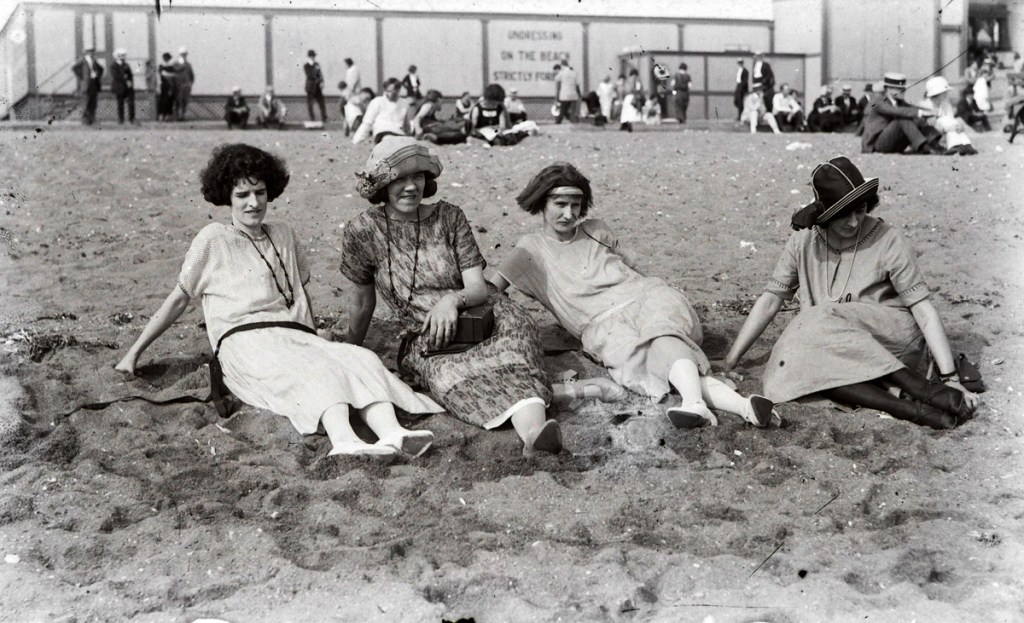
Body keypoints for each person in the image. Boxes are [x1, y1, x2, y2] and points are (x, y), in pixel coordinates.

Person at [116, 143, 441, 457]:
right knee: (315, 371)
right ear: (227, 198)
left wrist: (313, 335)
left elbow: (300, 295)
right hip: (244, 342)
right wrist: (133, 354)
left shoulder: (283, 233)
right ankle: (344, 440)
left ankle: (393, 433)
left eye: (259, 193)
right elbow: (178, 300)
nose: (253, 203)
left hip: (291, 336)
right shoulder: (213, 239)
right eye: (242, 195)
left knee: (359, 359)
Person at [492, 163, 775, 430]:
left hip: (648, 299)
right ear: (542, 203)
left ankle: (695, 403)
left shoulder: (596, 230)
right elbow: (489, 288)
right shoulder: (530, 250)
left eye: (575, 205)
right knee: (658, 357)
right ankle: (742, 406)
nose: (568, 214)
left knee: (660, 336)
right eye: (560, 205)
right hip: (604, 325)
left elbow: (634, 270)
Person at [341, 137, 578, 457]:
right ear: (382, 185)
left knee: (515, 346)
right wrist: (347, 346)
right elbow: (362, 302)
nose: (411, 186)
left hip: (486, 313)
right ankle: (538, 423)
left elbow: (478, 288)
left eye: (418, 177)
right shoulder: (362, 231)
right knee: (448, 375)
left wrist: (451, 300)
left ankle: (534, 436)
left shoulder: (449, 217)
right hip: (430, 336)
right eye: (399, 178)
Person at [724, 156, 980, 429]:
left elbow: (923, 310)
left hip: (888, 340)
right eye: (843, 215)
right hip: (830, 345)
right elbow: (770, 300)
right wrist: (730, 361)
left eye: (860, 210)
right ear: (824, 215)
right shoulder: (803, 242)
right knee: (782, 378)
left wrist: (950, 377)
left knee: (816, 319)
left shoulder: (886, 238)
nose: (854, 222)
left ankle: (927, 390)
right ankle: (913, 411)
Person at [861, 72, 942, 154]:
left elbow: (912, 108)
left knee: (919, 120)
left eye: (904, 89)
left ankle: (935, 145)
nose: (904, 91)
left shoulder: (899, 102)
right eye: (900, 89)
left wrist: (930, 112)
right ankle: (924, 147)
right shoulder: (877, 101)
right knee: (903, 119)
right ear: (888, 89)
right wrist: (921, 113)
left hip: (894, 144)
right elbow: (896, 111)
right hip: (876, 145)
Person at [920, 77, 976, 155]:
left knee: (953, 122)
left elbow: (951, 121)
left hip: (946, 135)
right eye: (944, 92)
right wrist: (946, 128)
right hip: (933, 137)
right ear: (937, 93)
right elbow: (928, 127)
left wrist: (958, 127)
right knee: (943, 120)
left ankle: (965, 145)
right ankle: (957, 146)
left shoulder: (946, 105)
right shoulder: (925, 106)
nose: (946, 94)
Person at [352, 78, 409, 144]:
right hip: (382, 132)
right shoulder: (377, 101)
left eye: (396, 90)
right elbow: (367, 122)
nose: (393, 93)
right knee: (389, 139)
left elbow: (406, 125)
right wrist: (357, 139)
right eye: (390, 91)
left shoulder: (404, 103)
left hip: (399, 133)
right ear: (385, 90)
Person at [71, 47, 103, 126]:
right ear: (86, 53)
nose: (91, 53)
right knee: (86, 102)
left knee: (93, 102)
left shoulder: (94, 61)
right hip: (86, 84)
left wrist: (97, 74)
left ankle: (92, 119)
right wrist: (82, 77)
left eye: (92, 52)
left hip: (94, 83)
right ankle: (85, 120)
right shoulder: (83, 60)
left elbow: (101, 69)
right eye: (89, 52)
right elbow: (74, 68)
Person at [109, 48, 136, 125]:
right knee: (120, 104)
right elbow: (116, 76)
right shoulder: (113, 65)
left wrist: (130, 82)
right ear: (117, 56)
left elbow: (130, 75)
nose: (122, 57)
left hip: (128, 87)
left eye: (123, 55)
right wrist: (124, 77)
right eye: (120, 55)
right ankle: (121, 119)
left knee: (131, 103)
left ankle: (132, 119)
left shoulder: (126, 65)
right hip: (119, 87)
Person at [303, 49, 327, 122]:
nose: (313, 57)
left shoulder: (317, 64)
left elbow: (320, 74)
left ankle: (324, 118)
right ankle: (312, 118)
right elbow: (310, 75)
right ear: (309, 57)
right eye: (311, 56)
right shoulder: (306, 65)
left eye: (313, 56)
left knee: (321, 103)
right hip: (310, 87)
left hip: (317, 87)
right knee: (310, 104)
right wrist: (317, 77)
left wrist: (322, 81)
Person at [174, 47, 195, 121]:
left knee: (185, 101)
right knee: (178, 100)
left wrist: (190, 83)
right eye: (183, 54)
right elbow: (175, 72)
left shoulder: (188, 65)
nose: (184, 55)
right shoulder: (176, 64)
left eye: (185, 54)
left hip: (186, 85)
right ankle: (177, 115)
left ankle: (182, 115)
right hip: (178, 85)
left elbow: (192, 75)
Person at [157, 52, 177, 122]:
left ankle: (166, 116)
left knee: (169, 100)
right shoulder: (163, 66)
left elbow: (165, 74)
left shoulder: (168, 67)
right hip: (166, 85)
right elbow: (166, 74)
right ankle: (163, 115)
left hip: (168, 85)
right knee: (164, 100)